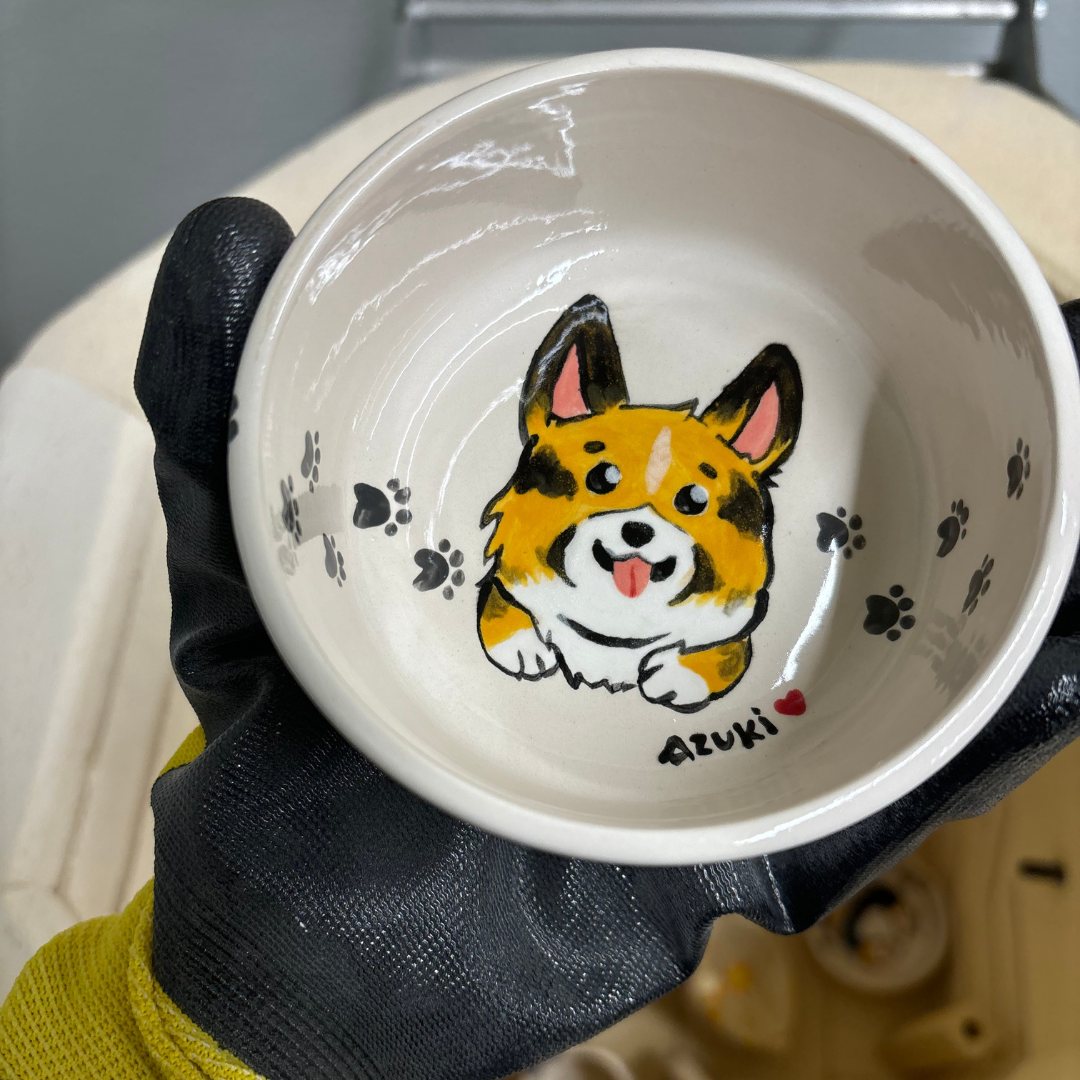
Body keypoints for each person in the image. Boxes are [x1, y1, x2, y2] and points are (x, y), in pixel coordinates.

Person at [2, 198, 1079, 1080]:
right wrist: (208, 1038)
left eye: (692, 503)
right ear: (551, 421)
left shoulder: (722, 621)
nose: (642, 528)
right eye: (604, 483)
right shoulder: (520, 574)